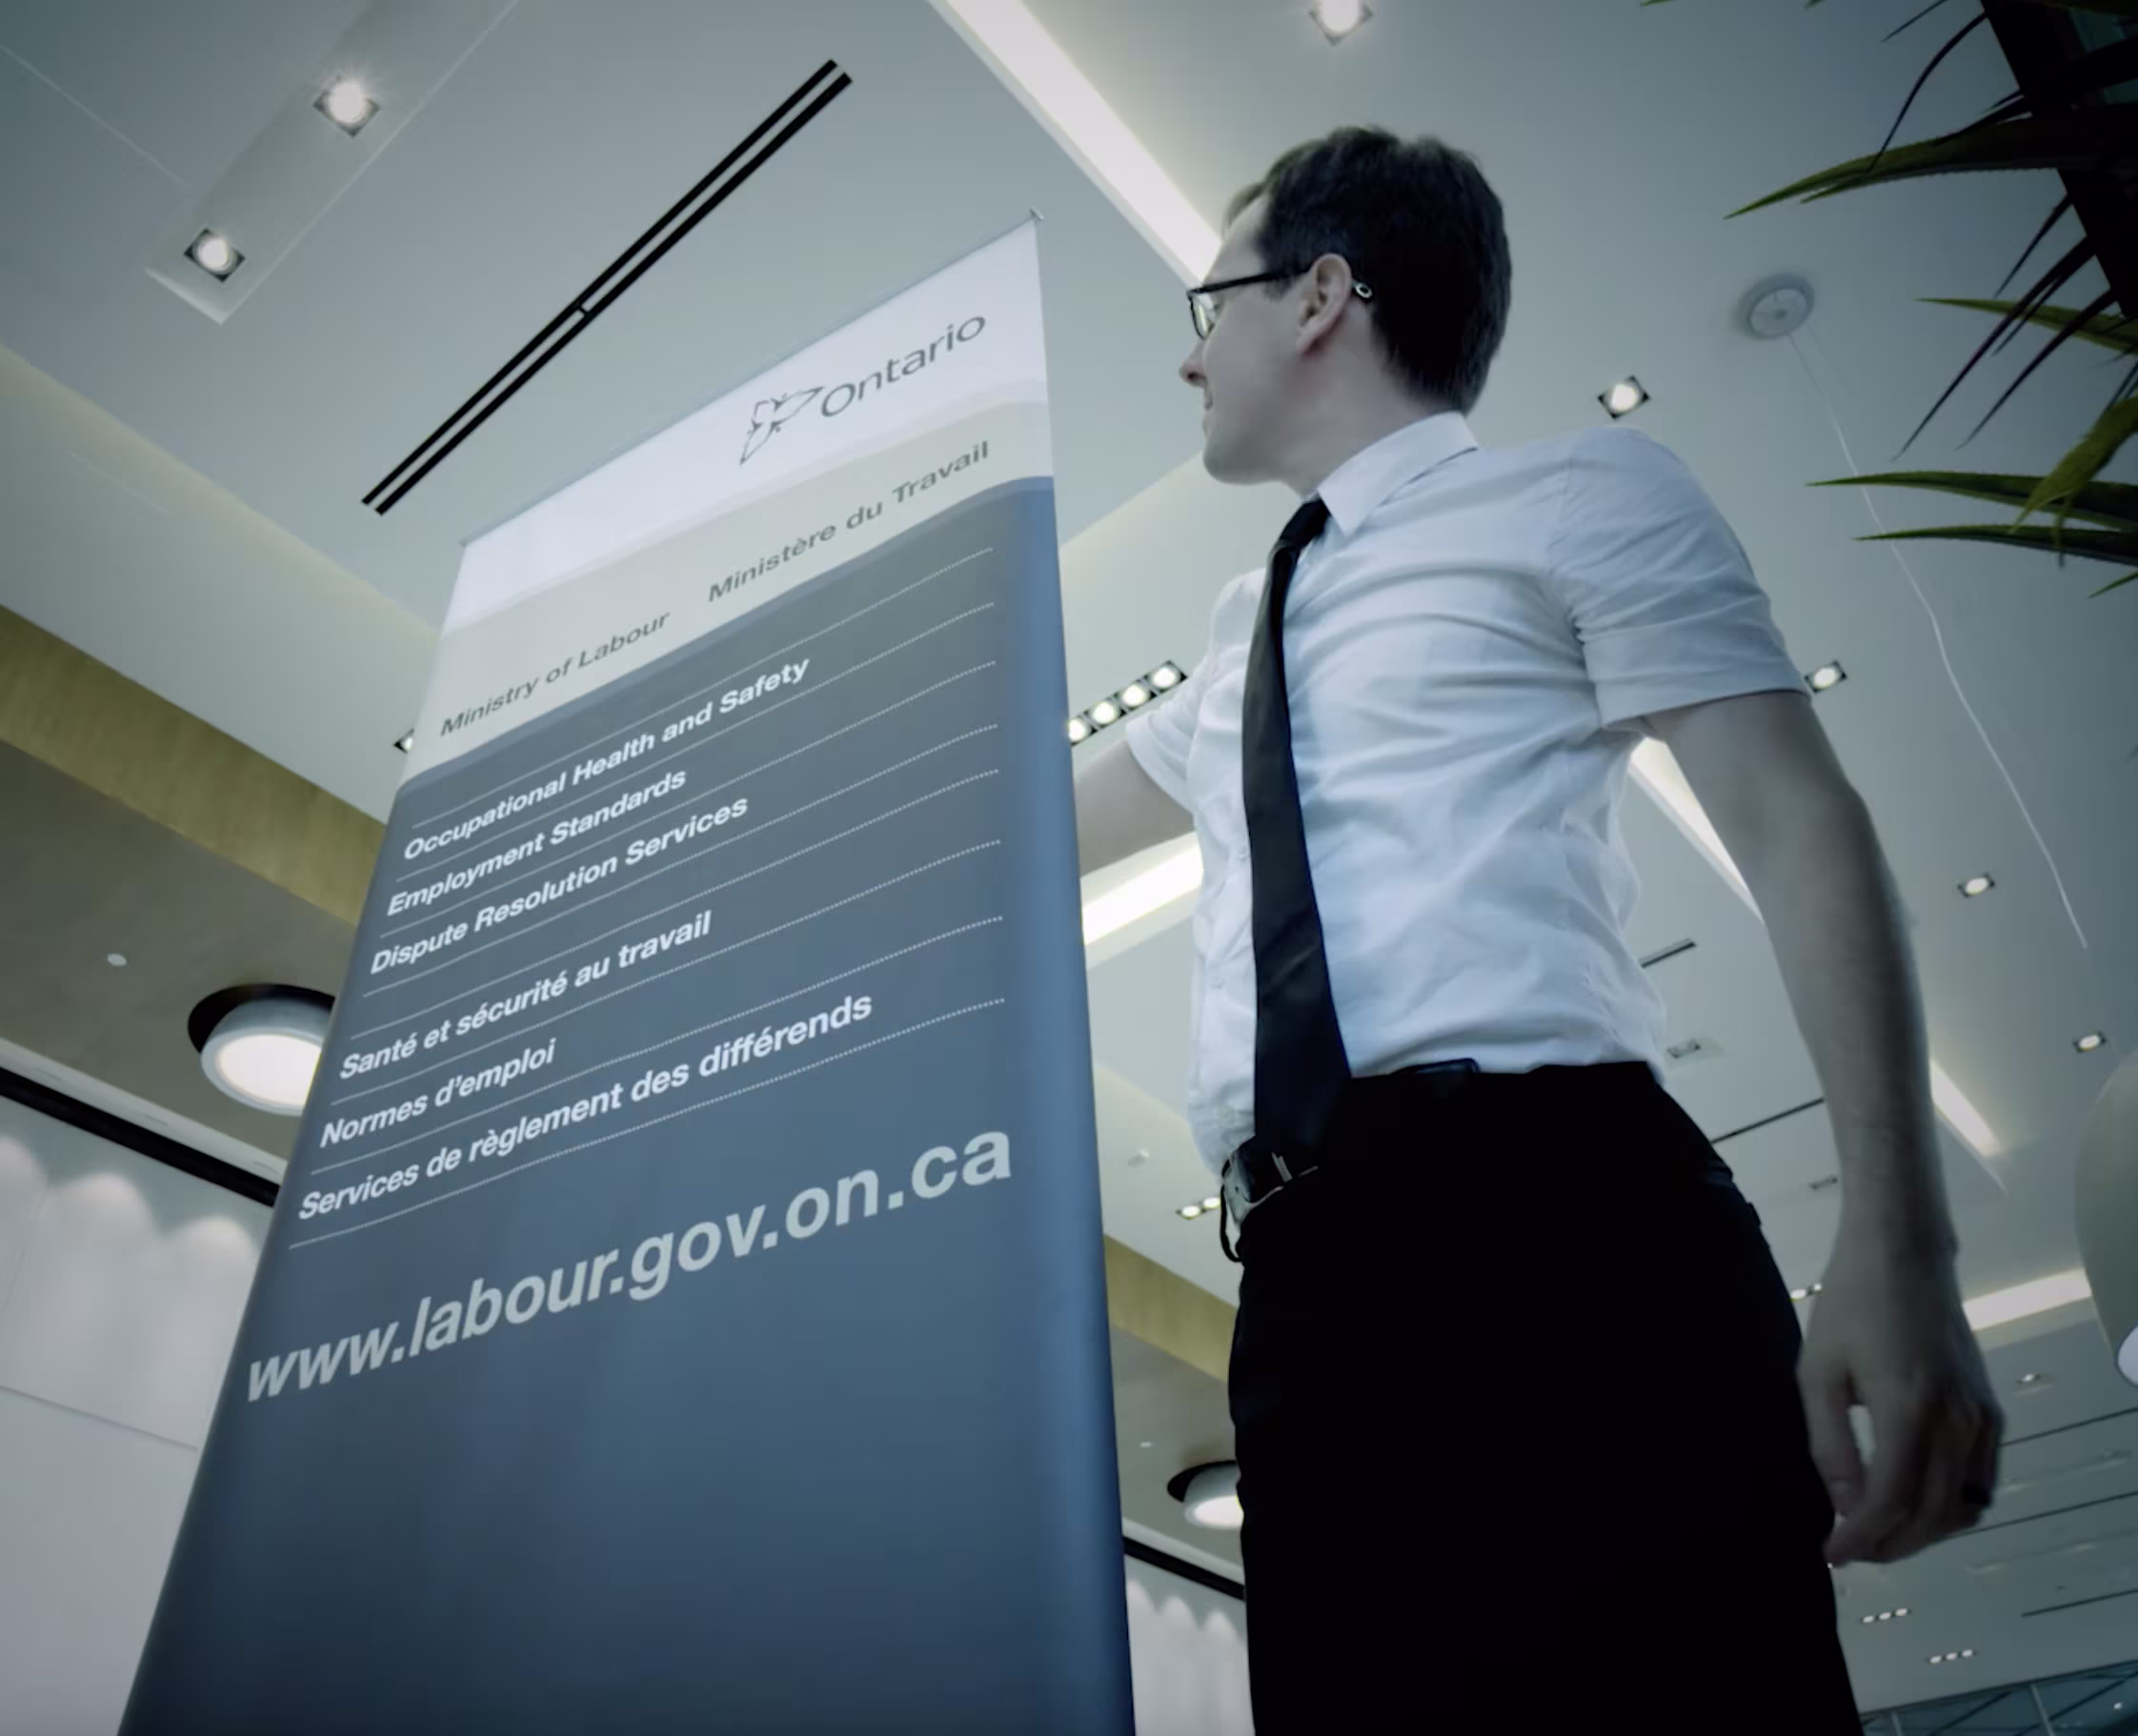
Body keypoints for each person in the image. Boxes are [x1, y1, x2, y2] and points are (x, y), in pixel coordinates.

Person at [1073, 127, 2002, 1730]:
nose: (1185, 350)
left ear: (1319, 297)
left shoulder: (1577, 494)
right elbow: (1021, 834)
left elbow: (1794, 819)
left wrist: (1900, 1235)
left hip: (1560, 1218)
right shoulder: (1246, 630)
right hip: (1299, 1291)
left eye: (1205, 297)